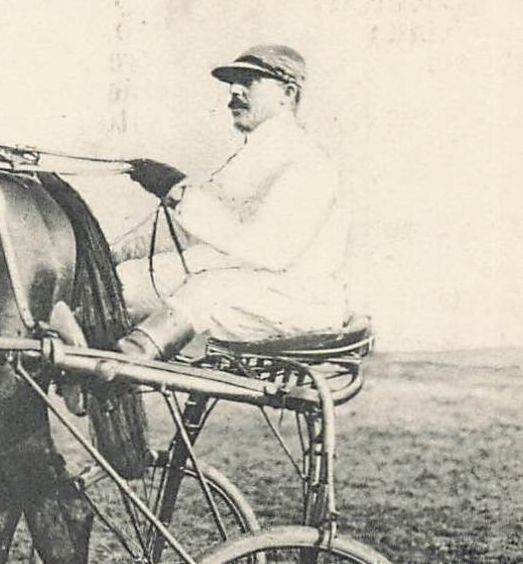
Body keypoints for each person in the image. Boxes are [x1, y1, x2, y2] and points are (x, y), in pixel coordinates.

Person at [114, 44, 351, 360]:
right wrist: (111, 254)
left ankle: (124, 363)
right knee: (121, 284)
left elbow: (267, 250)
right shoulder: (253, 158)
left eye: (249, 81)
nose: (234, 91)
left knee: (206, 290)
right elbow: (186, 228)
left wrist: (178, 192)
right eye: (232, 82)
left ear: (288, 93)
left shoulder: (307, 163)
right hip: (255, 287)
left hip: (301, 300)